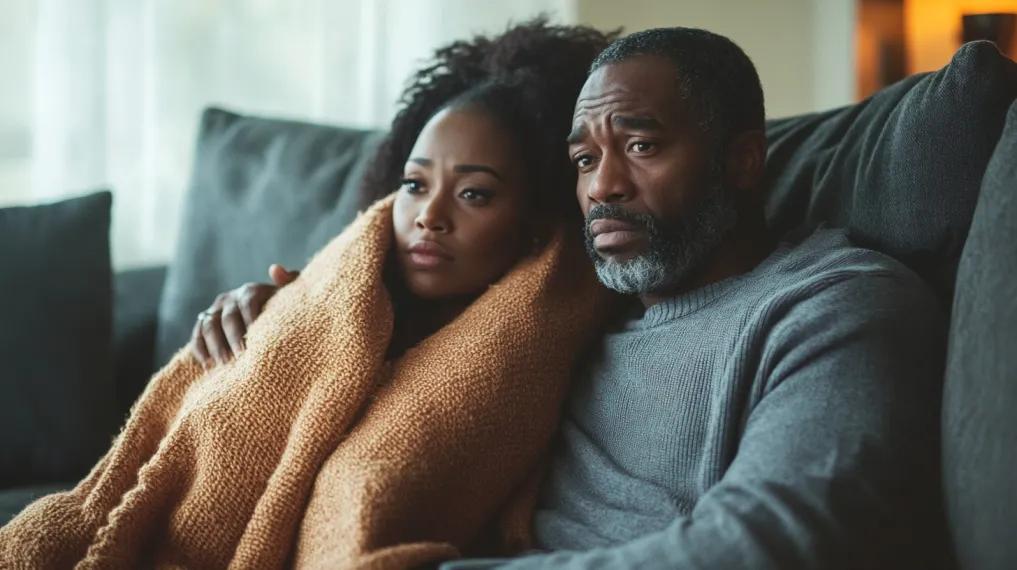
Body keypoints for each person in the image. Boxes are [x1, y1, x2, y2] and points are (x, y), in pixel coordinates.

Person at [202, 27, 948, 569]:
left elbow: (772, 544)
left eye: (641, 146)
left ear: (742, 160)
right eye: (584, 159)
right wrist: (294, 314)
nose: (603, 186)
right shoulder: (567, 309)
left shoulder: (833, 308)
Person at [0, 21, 620, 568]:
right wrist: (260, 324)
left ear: (535, 220)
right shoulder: (320, 297)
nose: (428, 216)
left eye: (474, 193)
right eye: (413, 183)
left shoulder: (548, 356)